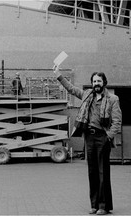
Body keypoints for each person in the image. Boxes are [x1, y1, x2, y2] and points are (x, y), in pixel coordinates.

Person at [53, 65, 122, 215]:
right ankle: (94, 205)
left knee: (103, 172)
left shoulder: (113, 99)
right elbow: (71, 89)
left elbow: (117, 122)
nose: (96, 83)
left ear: (104, 82)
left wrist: (108, 137)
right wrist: (59, 75)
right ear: (92, 83)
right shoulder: (86, 95)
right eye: (94, 81)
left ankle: (103, 206)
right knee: (92, 171)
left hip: (103, 137)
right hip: (89, 137)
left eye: (99, 81)